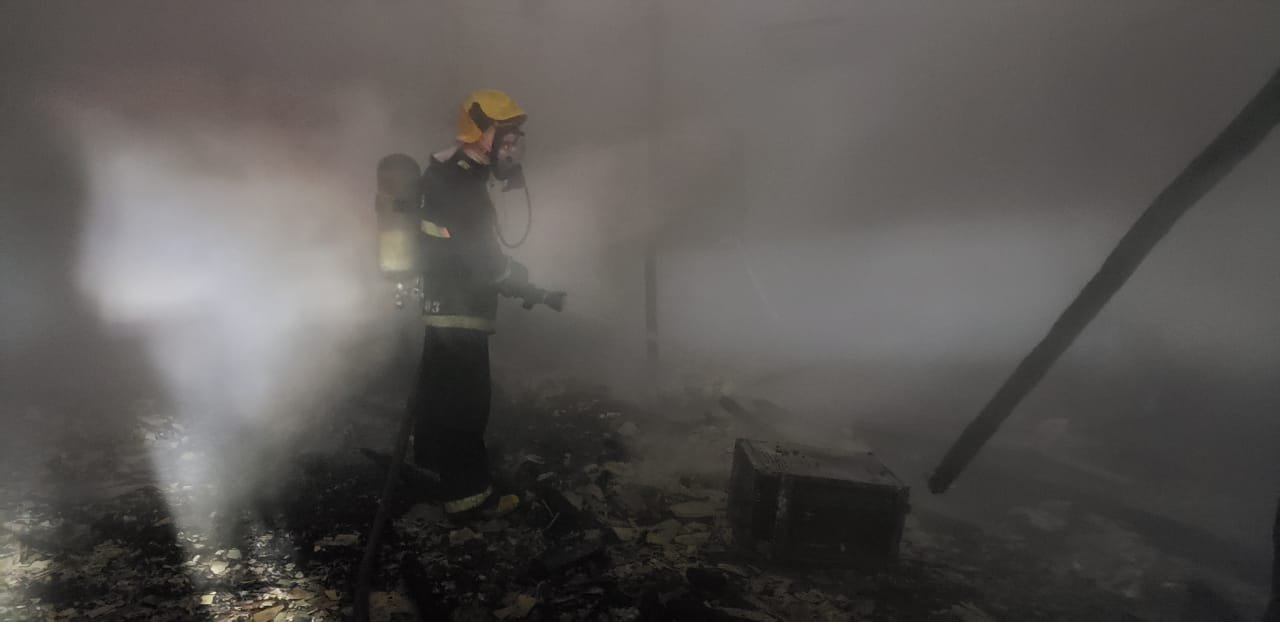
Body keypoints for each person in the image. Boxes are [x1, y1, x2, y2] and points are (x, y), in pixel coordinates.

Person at [409, 89, 553, 522]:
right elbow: (479, 256)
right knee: (466, 404)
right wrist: (516, 279)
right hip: (461, 306)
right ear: (476, 131)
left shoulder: (455, 175)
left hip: (447, 303)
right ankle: (469, 497)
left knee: (438, 394)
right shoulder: (459, 182)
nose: (512, 143)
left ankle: (432, 471)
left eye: (515, 134)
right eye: (503, 133)